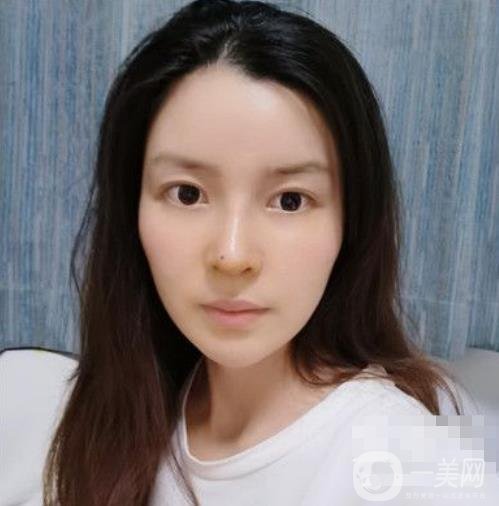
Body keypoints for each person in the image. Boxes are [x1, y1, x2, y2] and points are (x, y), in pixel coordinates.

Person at [1, 1, 498, 505]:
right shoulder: (127, 406)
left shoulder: (405, 464)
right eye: (188, 194)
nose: (233, 255)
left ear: (351, 223)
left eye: (290, 200)